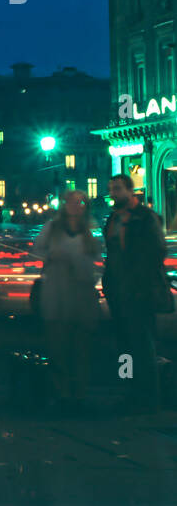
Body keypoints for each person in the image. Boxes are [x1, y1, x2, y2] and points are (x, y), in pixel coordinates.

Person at [31, 190, 102, 414]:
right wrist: (52, 258)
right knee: (58, 348)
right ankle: (62, 393)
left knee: (81, 348)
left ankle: (79, 394)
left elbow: (99, 257)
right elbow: (37, 251)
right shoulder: (52, 227)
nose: (74, 205)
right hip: (57, 293)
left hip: (81, 293)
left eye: (79, 202)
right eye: (70, 201)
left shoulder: (91, 227)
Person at [102, 173, 167, 414]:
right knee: (124, 348)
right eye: (111, 189)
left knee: (143, 347)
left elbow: (156, 252)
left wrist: (138, 281)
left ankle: (148, 397)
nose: (113, 193)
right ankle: (128, 391)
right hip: (118, 293)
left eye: (117, 189)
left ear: (130, 191)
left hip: (139, 293)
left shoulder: (146, 218)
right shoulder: (113, 218)